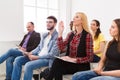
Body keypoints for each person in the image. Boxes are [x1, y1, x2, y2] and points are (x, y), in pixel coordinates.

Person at [46, 12, 93, 80]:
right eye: (74, 17)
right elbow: (61, 47)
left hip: (81, 66)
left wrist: (74, 60)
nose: (73, 18)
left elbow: (90, 58)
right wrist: (60, 33)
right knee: (57, 65)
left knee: (57, 65)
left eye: (77, 17)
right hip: (70, 64)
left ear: (82, 21)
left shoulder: (87, 35)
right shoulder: (70, 34)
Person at [11, 16, 60, 80]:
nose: (48, 24)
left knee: (28, 65)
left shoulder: (58, 37)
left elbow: (52, 55)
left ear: (55, 24)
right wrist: (30, 53)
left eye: (50, 22)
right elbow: (39, 47)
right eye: (47, 22)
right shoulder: (44, 35)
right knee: (18, 60)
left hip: (47, 59)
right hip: (38, 55)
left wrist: (37, 57)